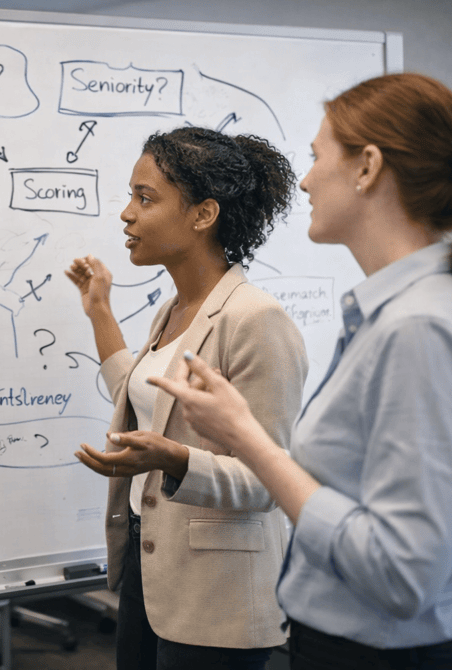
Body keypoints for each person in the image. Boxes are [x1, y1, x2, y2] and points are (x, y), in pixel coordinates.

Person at [152, 73, 452, 670]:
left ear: (368, 167)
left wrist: (248, 439)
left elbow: (400, 572)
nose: (305, 179)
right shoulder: (395, 314)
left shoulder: (421, 328)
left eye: (318, 156)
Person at [66, 126, 308, 669]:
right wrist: (100, 310)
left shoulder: (255, 319)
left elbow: (267, 481)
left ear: (203, 214)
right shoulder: (173, 309)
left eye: (144, 197)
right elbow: (145, 396)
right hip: (151, 573)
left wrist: (170, 458)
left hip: (216, 599)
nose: (126, 214)